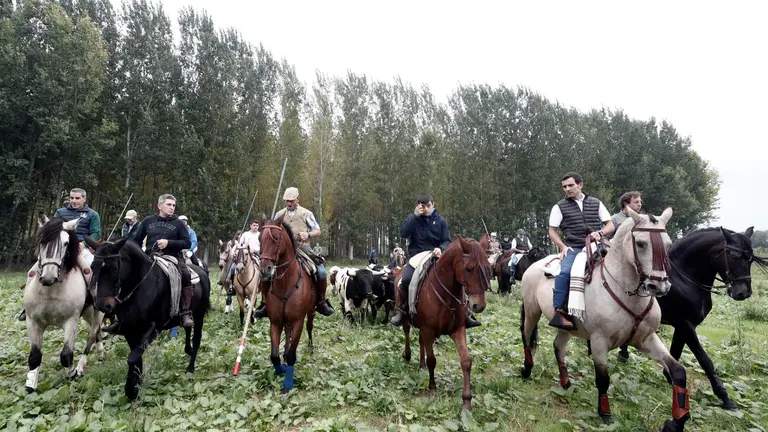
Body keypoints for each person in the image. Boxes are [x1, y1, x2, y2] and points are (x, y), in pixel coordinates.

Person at [103, 194, 193, 333]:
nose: (172, 208)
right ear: (159, 205)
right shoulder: (148, 221)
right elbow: (137, 241)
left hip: (172, 257)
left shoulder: (178, 223)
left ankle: (185, 311)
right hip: (150, 257)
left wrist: (169, 243)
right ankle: (120, 318)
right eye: (169, 205)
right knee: (127, 276)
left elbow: (187, 242)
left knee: (186, 275)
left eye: (173, 205)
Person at [389, 193, 481, 328]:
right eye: (422, 205)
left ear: (433, 204)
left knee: (458, 277)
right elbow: (404, 233)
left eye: (428, 205)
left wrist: (441, 248)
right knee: (405, 279)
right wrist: (414, 216)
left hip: (436, 256)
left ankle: (465, 312)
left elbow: (447, 241)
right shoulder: (413, 219)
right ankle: (401, 311)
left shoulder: (441, 221)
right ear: (418, 206)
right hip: (416, 256)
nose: (425, 208)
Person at [19, 188, 102, 322]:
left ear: (84, 199)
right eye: (72, 198)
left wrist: (83, 244)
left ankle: (95, 298)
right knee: (31, 272)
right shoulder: (60, 212)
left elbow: (96, 233)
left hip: (80, 248)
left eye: (77, 198)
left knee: (88, 270)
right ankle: (26, 306)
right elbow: (52, 230)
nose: (74, 201)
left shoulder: (93, 214)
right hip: (59, 249)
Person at [252, 187, 334, 318]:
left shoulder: (306, 213)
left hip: (303, 248)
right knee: (266, 271)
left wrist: (308, 234)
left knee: (321, 270)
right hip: (282, 251)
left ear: (298, 199)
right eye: (287, 201)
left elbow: (317, 230)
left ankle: (321, 301)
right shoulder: (279, 214)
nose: (289, 203)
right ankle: (265, 303)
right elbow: (271, 229)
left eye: (291, 201)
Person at [548, 172, 614, 330]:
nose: (567, 189)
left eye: (570, 185)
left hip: (598, 244)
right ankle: (560, 312)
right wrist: (563, 246)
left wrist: (601, 233)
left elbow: (610, 225)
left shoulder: (596, 202)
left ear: (580, 185)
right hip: (575, 247)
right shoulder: (559, 207)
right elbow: (552, 231)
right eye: (564, 187)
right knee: (564, 273)